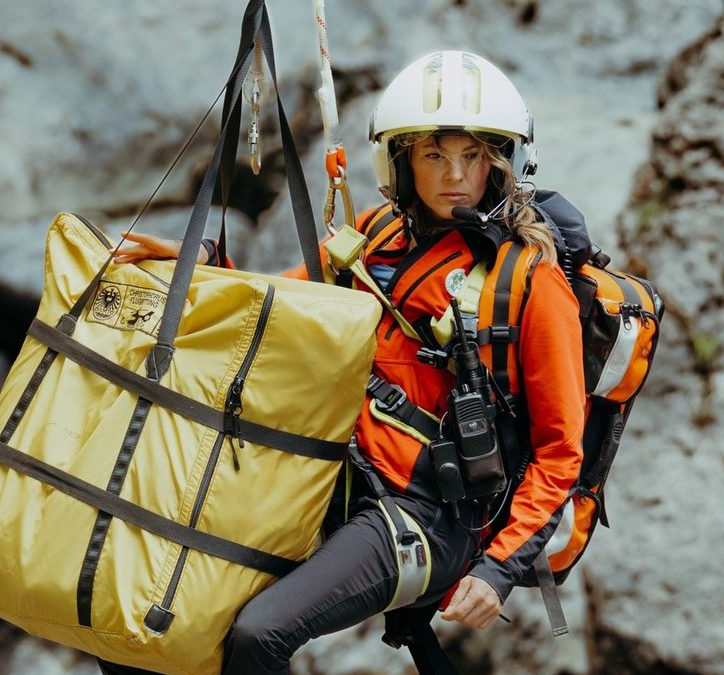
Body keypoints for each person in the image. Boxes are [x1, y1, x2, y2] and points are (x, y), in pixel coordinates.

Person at [101, 50, 584, 674]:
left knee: (258, 636)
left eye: (473, 156)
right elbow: (280, 306)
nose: (454, 174)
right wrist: (188, 264)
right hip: (335, 473)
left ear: (502, 163)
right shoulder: (376, 234)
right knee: (147, 612)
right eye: (434, 155)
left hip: (428, 514)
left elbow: (559, 451)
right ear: (402, 161)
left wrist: (497, 570)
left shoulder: (532, 282)